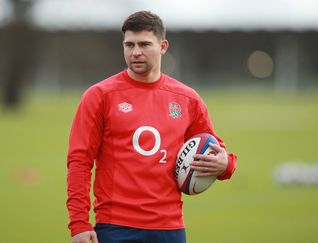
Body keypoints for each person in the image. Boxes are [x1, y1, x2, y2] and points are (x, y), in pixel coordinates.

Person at [66, 10, 237, 243]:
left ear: (163, 46)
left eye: (144, 44)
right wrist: (79, 224)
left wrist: (226, 164)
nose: (135, 52)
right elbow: (79, 162)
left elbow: (216, 150)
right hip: (115, 227)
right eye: (129, 45)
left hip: (170, 228)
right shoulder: (100, 96)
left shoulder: (187, 99)